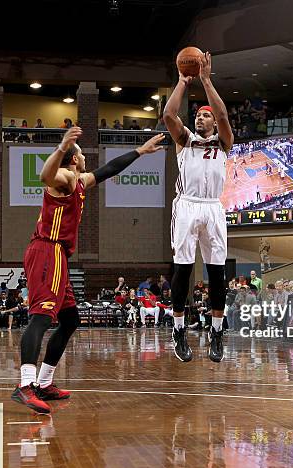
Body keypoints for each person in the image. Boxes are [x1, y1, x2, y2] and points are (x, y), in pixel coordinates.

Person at [12, 126, 165, 414]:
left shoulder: (79, 180)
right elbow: (44, 176)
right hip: (47, 250)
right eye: (81, 154)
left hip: (58, 255)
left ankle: (44, 383)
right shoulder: (66, 178)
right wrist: (61, 147)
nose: (85, 158)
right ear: (73, 159)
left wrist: (140, 152)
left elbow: (109, 170)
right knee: (41, 318)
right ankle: (26, 385)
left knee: (69, 320)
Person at [164, 51, 233, 363]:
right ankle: (178, 328)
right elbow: (168, 115)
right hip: (188, 206)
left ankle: (216, 331)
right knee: (183, 270)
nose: (200, 118)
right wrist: (182, 83)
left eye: (204, 115)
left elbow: (223, 117)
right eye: (198, 115)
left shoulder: (223, 141)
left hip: (213, 208)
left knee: (217, 275)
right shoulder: (185, 140)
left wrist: (206, 80)